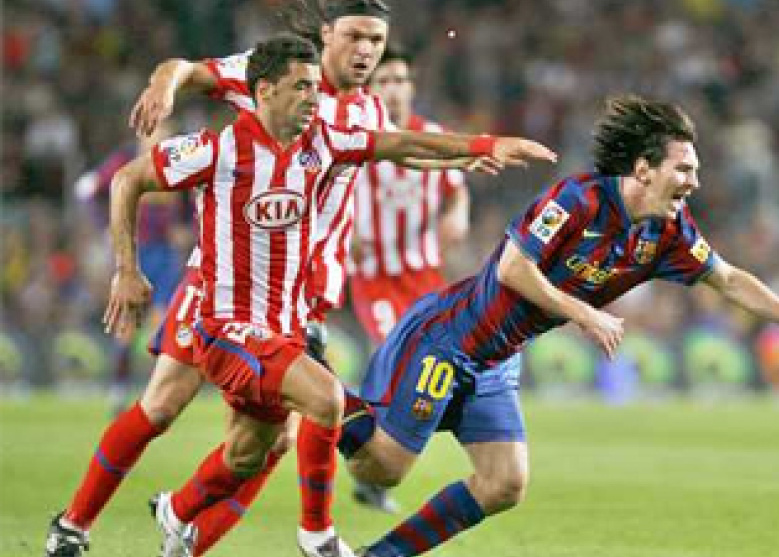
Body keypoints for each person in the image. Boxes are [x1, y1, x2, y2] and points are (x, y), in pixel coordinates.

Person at [336, 95, 779, 557]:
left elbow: (730, 279)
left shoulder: (668, 233)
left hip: (497, 360)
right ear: (643, 169)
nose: (694, 182)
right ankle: (321, 394)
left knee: (505, 483)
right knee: (381, 470)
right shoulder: (578, 200)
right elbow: (512, 269)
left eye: (695, 170)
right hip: (449, 339)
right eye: (683, 170)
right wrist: (585, 313)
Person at [43, 2, 473, 556]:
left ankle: (184, 529)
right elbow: (187, 69)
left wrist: (467, 158)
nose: (366, 51)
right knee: (164, 406)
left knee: (267, 443)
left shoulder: (366, 112)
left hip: (301, 296)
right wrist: (164, 85)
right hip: (225, 283)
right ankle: (77, 523)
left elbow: (402, 152)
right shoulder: (271, 74)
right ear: (328, 35)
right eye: (357, 37)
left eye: (376, 40)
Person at [346, 44, 472, 512]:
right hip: (374, 278)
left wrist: (457, 215)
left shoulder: (431, 136)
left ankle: (372, 468)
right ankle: (366, 458)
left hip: (423, 274)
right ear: (369, 90)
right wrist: (341, 236)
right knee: (399, 361)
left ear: (411, 87)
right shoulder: (353, 137)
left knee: (433, 370)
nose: (394, 89)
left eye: (400, 80)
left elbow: (457, 190)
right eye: (384, 81)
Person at [73, 124, 191, 416]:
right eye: (156, 135)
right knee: (126, 328)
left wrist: (186, 229)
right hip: (134, 254)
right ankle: (118, 390)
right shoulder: (124, 160)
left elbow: (191, 206)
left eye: (165, 136)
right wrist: (106, 227)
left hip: (165, 256)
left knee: (162, 324)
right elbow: (86, 189)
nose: (160, 141)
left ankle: (154, 397)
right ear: (142, 137)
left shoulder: (178, 162)